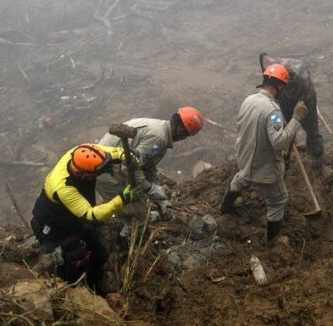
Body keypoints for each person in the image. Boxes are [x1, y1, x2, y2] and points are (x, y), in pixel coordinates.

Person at [30, 143, 140, 294]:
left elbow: (104, 153)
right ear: (81, 173)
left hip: (75, 219)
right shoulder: (63, 187)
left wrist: (124, 155)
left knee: (100, 252)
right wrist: (122, 199)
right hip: (54, 227)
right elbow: (91, 215)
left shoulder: (79, 153)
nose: (99, 174)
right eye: (96, 173)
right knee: (74, 262)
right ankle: (68, 291)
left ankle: (96, 283)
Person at [220, 64, 307, 245]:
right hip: (264, 166)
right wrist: (296, 119)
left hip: (244, 156)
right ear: (280, 87)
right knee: (278, 200)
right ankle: (273, 242)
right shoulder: (272, 111)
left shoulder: (249, 100)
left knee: (242, 178)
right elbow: (279, 142)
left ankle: (225, 208)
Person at [96, 108, 205, 228]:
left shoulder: (160, 129)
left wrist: (156, 191)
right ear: (181, 130)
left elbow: (148, 165)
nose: (184, 138)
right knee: (137, 216)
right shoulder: (158, 138)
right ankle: (125, 238)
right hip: (105, 170)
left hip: (114, 165)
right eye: (186, 135)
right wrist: (150, 189)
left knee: (140, 197)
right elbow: (129, 166)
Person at [259, 52, 325, 170]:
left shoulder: (299, 76)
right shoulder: (272, 69)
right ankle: (287, 152)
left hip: (306, 98)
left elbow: (304, 99)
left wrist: (298, 115)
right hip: (284, 96)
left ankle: (317, 160)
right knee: (285, 127)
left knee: (311, 129)